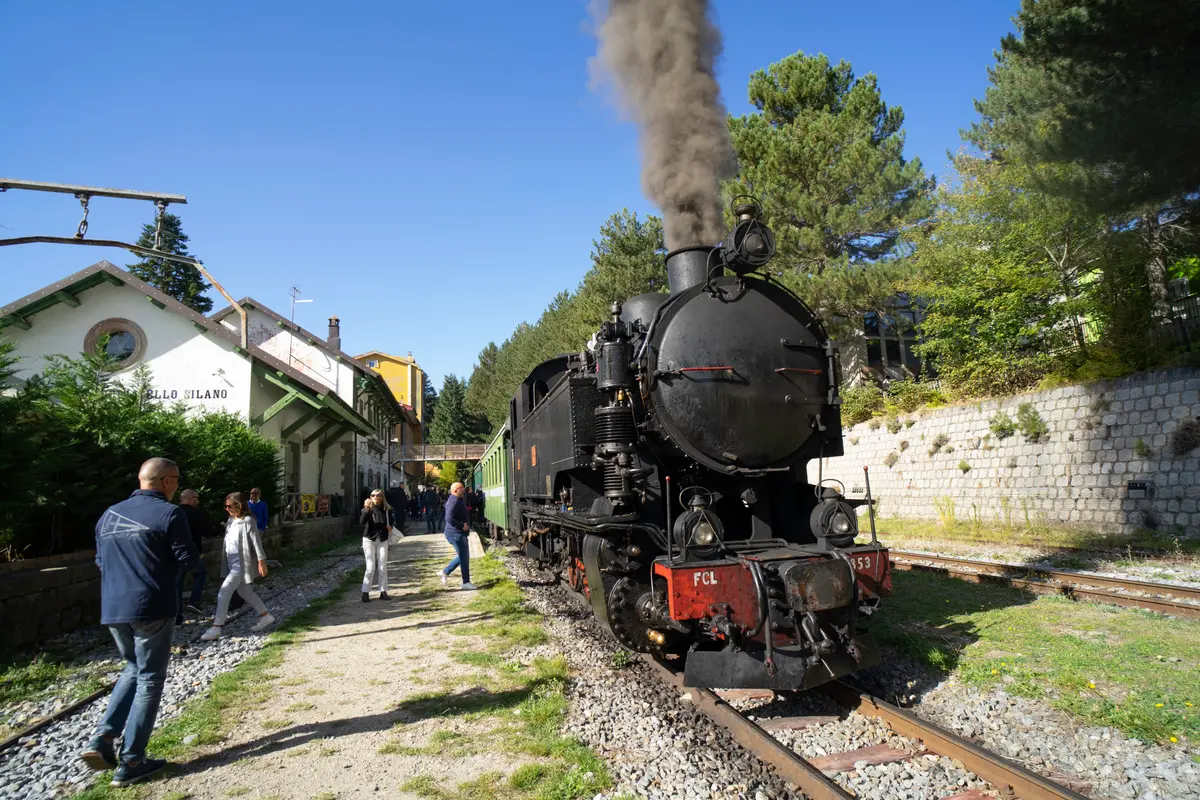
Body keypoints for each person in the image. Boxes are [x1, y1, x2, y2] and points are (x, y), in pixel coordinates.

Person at [81, 457, 198, 787]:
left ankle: (102, 739)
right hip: (151, 606)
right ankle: (132, 759)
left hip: (114, 608)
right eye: (175, 479)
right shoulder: (170, 513)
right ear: (164, 481)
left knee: (133, 668)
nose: (177, 485)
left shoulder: (108, 515)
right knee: (150, 678)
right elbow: (186, 558)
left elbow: (101, 561)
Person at [200, 493, 274, 642]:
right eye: (226, 506)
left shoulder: (248, 521)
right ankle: (266, 616)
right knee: (245, 591)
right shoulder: (231, 520)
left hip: (241, 562)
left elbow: (256, 542)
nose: (227, 509)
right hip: (231, 561)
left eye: (230, 506)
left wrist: (261, 561)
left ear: (239, 505)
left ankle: (216, 627)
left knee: (224, 591)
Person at [175, 489, 211, 625]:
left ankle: (178, 617)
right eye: (197, 498)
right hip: (193, 552)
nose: (198, 501)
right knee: (201, 574)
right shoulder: (197, 513)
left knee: (177, 584)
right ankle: (194, 600)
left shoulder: (173, 512)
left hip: (176, 554)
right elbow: (208, 532)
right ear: (190, 498)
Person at [439, 482, 475, 590]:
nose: (463, 490)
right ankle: (465, 582)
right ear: (455, 490)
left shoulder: (455, 500)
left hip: (456, 533)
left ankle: (445, 572)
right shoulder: (454, 501)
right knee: (464, 558)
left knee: (463, 556)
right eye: (461, 489)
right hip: (456, 534)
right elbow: (449, 518)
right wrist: (461, 525)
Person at [360, 489, 393, 602]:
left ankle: (383, 592)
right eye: (372, 495)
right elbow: (362, 522)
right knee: (370, 567)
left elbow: (391, 521)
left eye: (377, 495)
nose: (374, 497)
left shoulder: (386, 509)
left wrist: (390, 527)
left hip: (382, 539)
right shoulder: (368, 508)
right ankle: (365, 592)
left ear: (382, 497)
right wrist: (366, 509)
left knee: (382, 566)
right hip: (369, 539)